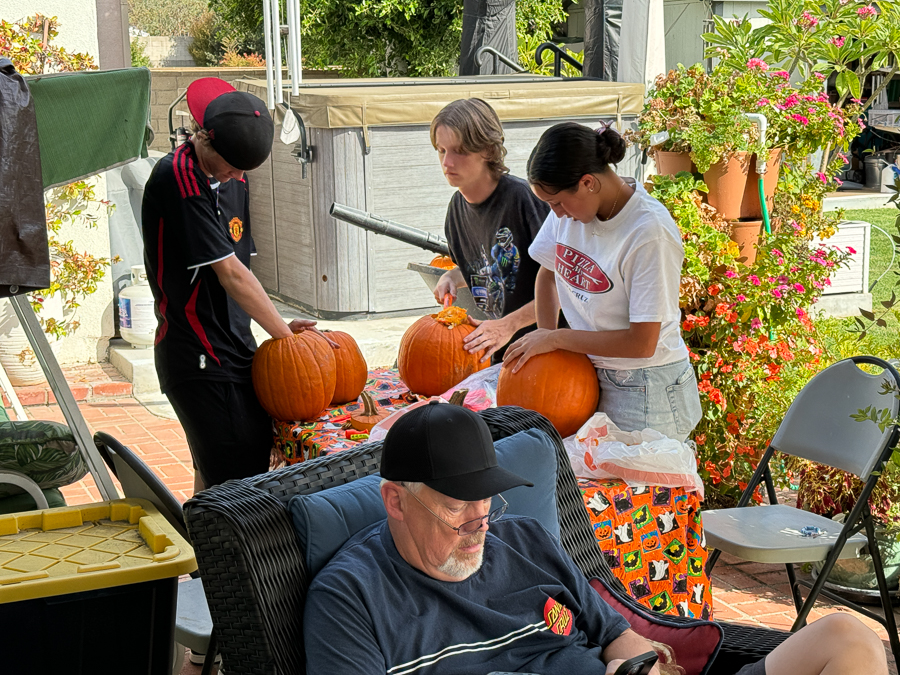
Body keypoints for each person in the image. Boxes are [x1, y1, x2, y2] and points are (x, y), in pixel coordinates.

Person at [302, 402, 887, 675]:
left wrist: (641, 664)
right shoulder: (351, 599)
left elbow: (615, 636)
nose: (481, 523)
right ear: (396, 501)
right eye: (458, 508)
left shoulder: (524, 541)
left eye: (487, 500)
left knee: (849, 635)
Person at [141, 77, 332, 491]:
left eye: (244, 170)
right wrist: (286, 339)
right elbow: (229, 273)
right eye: (231, 166)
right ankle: (213, 552)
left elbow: (243, 268)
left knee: (223, 472)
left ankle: (202, 550)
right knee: (235, 479)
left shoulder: (233, 177)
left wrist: (279, 330)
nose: (236, 176)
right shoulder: (179, 177)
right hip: (197, 354)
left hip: (235, 346)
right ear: (204, 140)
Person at [503, 121, 702, 442]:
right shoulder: (568, 213)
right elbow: (547, 275)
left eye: (557, 203)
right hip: (588, 372)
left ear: (588, 183)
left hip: (646, 386)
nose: (556, 214)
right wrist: (547, 339)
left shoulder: (649, 233)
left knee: (634, 492)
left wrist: (558, 340)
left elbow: (642, 343)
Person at [430, 99, 552, 363]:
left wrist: (510, 324)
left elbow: (567, 284)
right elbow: (484, 267)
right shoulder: (455, 212)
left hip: (548, 354)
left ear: (487, 150)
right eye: (441, 150)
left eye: (459, 151)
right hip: (500, 355)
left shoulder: (523, 200)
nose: (447, 162)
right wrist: (452, 277)